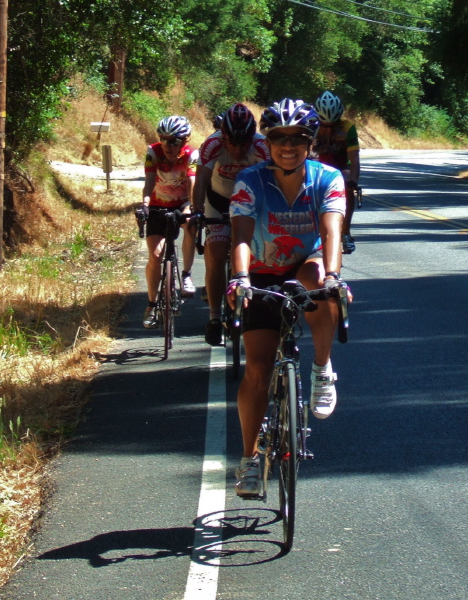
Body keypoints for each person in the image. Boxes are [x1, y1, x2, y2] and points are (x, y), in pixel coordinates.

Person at [226, 98, 348, 498]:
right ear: (269, 141)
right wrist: (240, 279)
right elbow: (241, 236)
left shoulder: (328, 178)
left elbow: (332, 233)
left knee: (320, 281)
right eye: (279, 137)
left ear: (311, 142)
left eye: (298, 137)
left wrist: (333, 277)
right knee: (258, 368)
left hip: (306, 265)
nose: (289, 145)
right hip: (261, 269)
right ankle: (249, 459)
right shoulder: (251, 179)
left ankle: (321, 369)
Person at [193, 103, 270, 345]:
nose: (237, 151)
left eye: (243, 144)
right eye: (232, 144)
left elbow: (273, 179)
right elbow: (201, 180)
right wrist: (197, 212)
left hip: (251, 204)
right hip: (218, 200)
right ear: (223, 137)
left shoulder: (261, 146)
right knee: (215, 254)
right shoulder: (212, 144)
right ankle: (215, 318)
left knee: (257, 252)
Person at [138, 115, 199, 329]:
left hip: (181, 202)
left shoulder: (192, 155)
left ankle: (187, 275)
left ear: (184, 141)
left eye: (173, 141)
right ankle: (152, 305)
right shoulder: (153, 152)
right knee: (155, 256)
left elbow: (192, 180)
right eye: (163, 139)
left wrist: (192, 207)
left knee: (191, 224)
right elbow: (149, 180)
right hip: (157, 204)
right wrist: (144, 204)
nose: (167, 145)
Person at [313, 91, 360, 254]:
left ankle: (345, 232)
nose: (327, 130)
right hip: (317, 165)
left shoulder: (348, 128)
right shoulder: (311, 125)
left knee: (347, 183)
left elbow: (354, 159)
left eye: (331, 126)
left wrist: (353, 182)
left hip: (340, 167)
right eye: (324, 126)